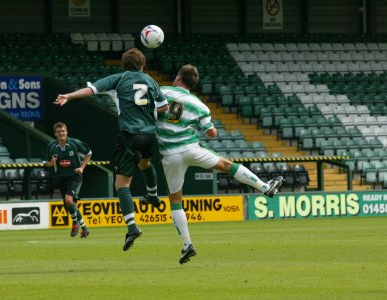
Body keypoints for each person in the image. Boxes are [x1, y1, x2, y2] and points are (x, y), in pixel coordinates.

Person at [150, 64, 283, 264]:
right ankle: (265, 187)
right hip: (190, 148)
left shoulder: (163, 91)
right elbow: (211, 133)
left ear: (178, 77)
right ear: (193, 84)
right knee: (226, 165)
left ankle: (187, 245)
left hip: (170, 154)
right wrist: (206, 127)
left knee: (175, 200)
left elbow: (151, 107)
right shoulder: (199, 105)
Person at [54, 48, 169, 251]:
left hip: (129, 136)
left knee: (121, 184)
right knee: (145, 163)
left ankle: (132, 227)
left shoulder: (118, 78)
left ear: (124, 65)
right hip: (150, 135)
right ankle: (152, 194)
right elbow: (164, 107)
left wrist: (69, 96)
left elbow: (91, 90)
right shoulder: (151, 81)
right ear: (143, 65)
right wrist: (148, 109)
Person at [44, 122, 92, 238]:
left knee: (69, 200)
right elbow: (46, 163)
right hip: (61, 177)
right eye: (59, 131)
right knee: (70, 205)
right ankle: (84, 229)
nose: (61, 133)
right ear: (55, 133)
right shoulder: (51, 146)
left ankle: (75, 223)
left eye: (63, 131)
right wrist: (52, 163)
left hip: (75, 176)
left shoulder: (74, 143)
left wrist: (82, 167)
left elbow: (89, 153)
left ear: (66, 131)